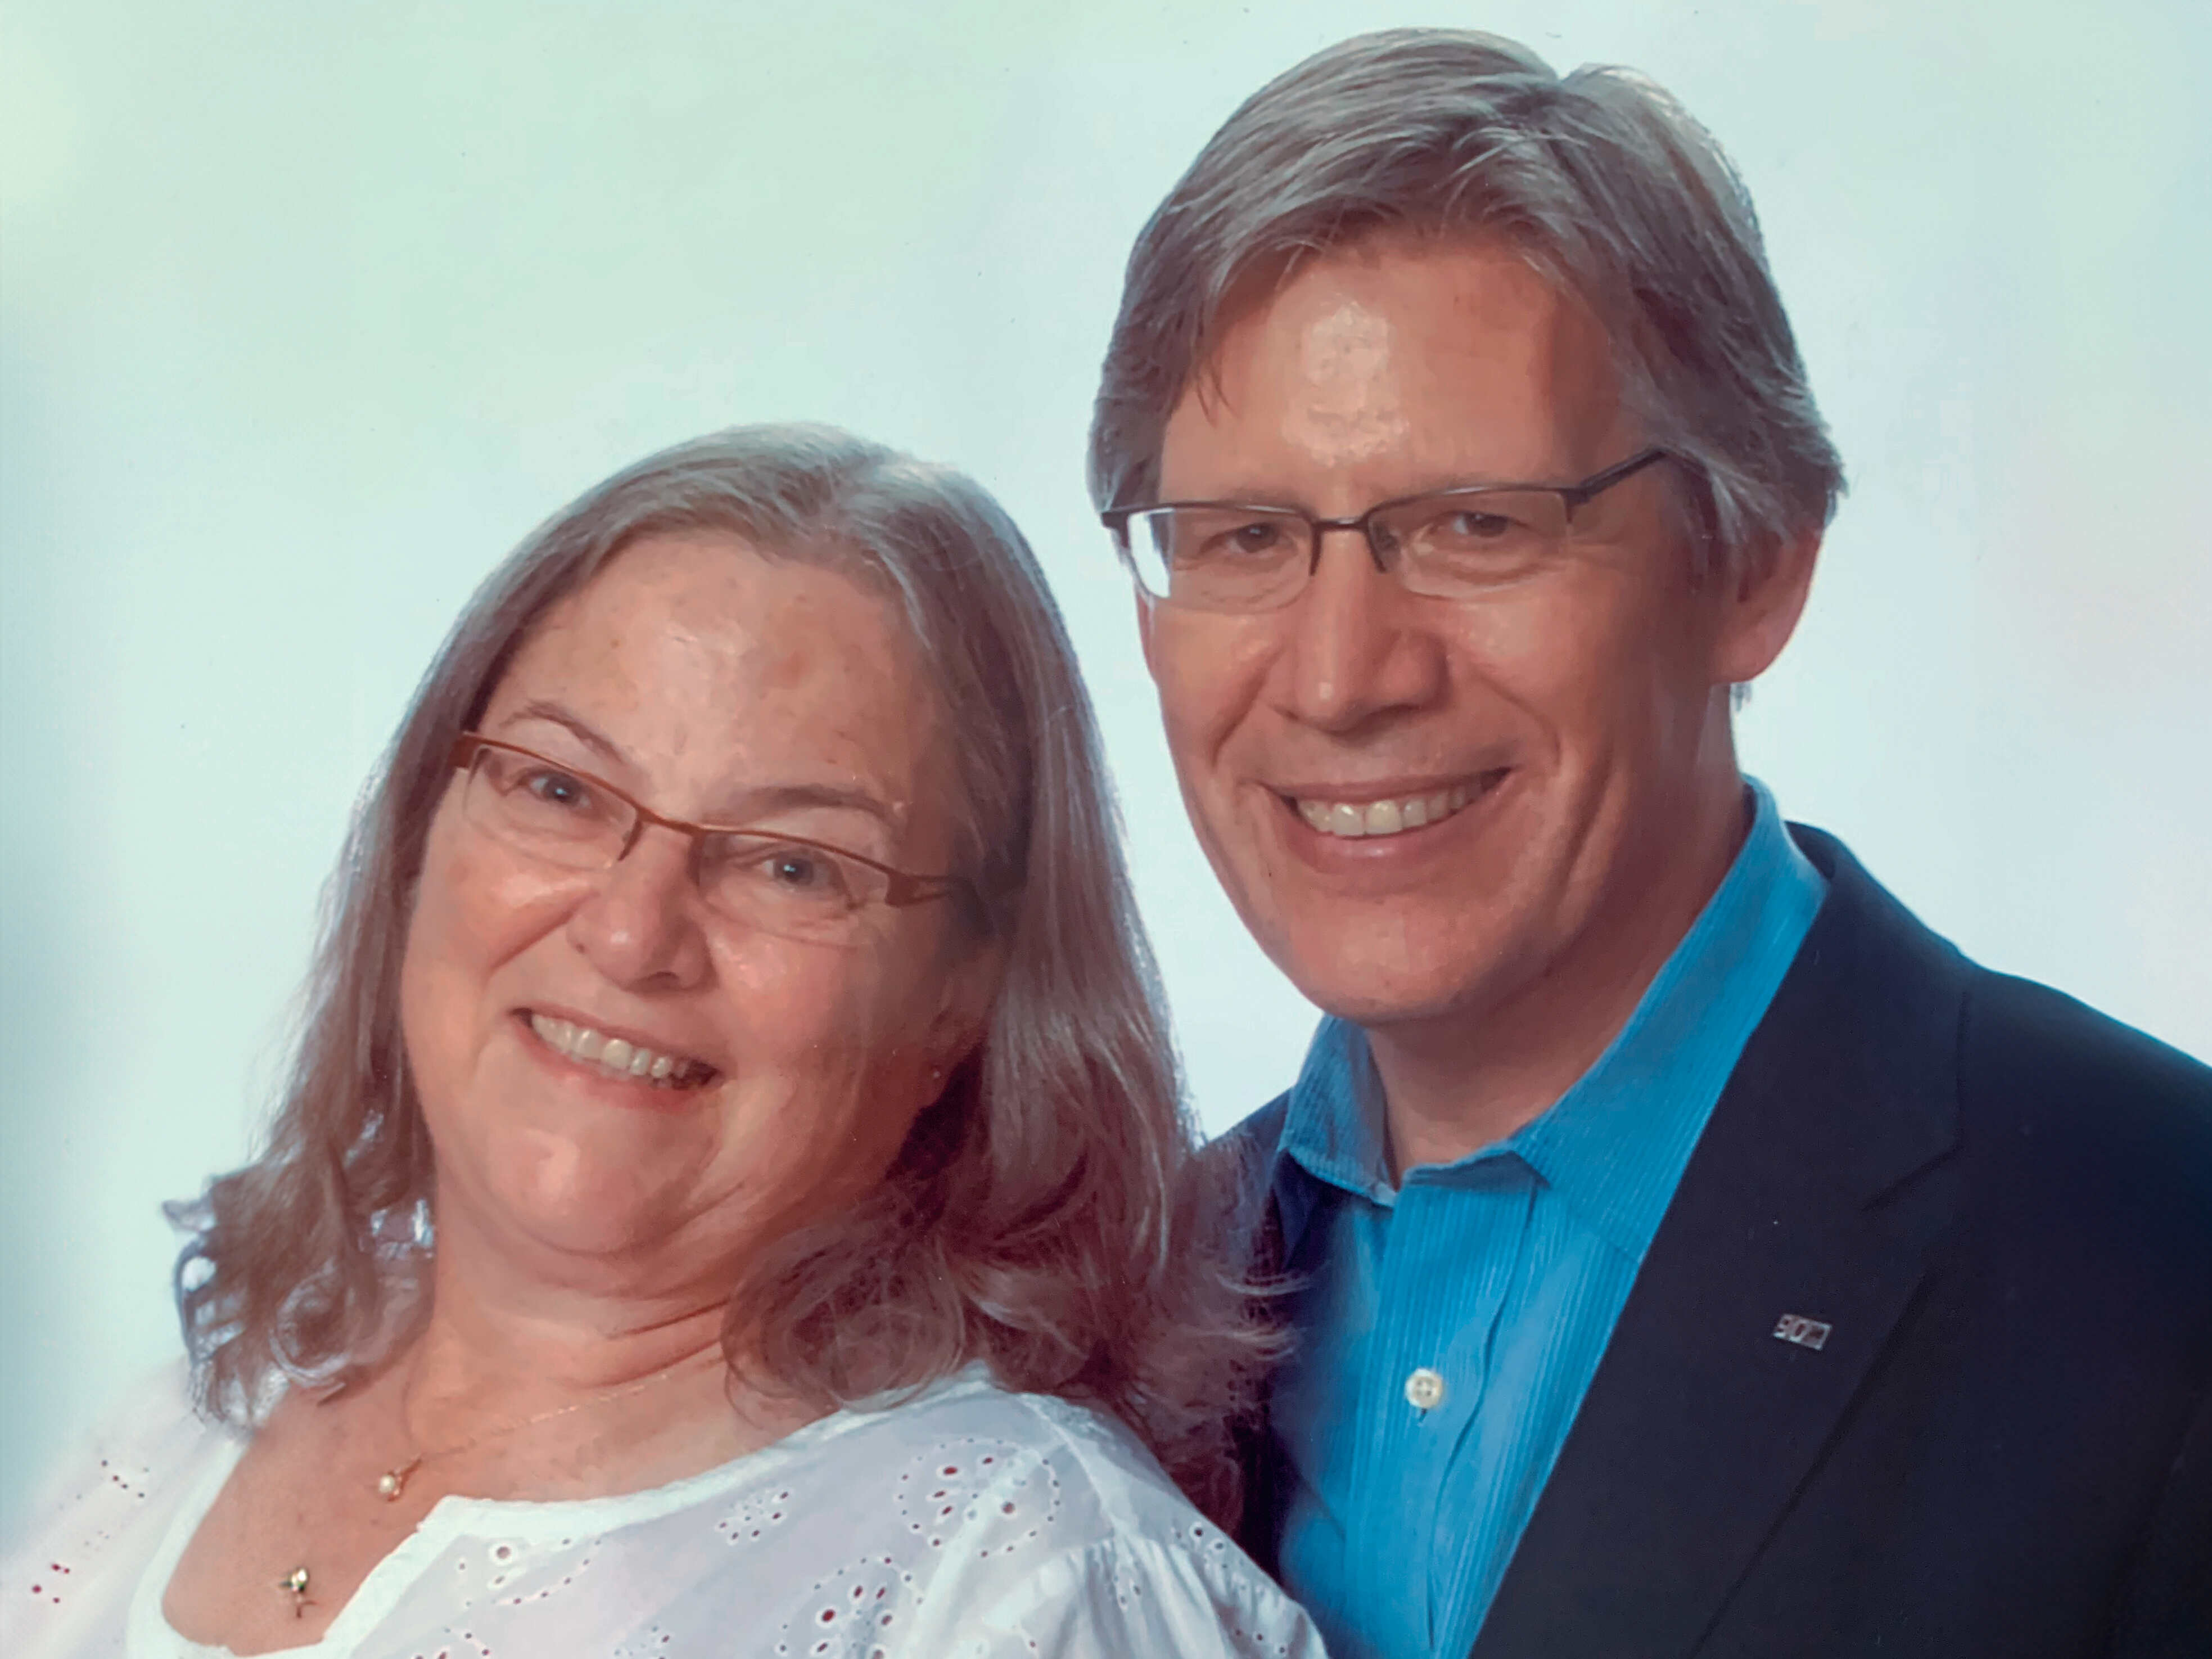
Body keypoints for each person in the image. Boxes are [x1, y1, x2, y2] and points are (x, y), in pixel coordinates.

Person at [1089, 28, 2212, 1659]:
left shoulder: (2158, 1245)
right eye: (1242, 538)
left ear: (1750, 563)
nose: (1339, 678)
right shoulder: (1107, 1309)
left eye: (1476, 524)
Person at [0, 425, 1322, 1658]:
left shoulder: (1025, 1576)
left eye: (793, 866)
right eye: (560, 788)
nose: (633, 935)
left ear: (963, 998)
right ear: (420, 829)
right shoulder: (170, 1431)